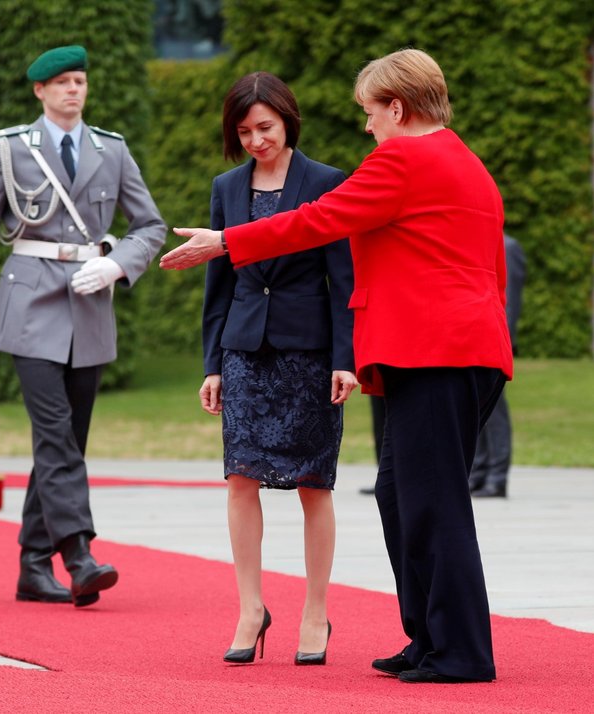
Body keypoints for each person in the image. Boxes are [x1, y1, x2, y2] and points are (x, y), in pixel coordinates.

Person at [160, 49, 513, 683]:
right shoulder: (462, 159)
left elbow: (323, 220)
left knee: (433, 502)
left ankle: (460, 651)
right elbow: (490, 265)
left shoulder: (404, 158)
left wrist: (228, 241)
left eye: (371, 113)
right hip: (454, 349)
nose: (367, 127)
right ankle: (429, 638)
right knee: (402, 493)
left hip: (438, 352)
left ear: (397, 108)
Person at [0, 45, 166, 607]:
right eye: (61, 82)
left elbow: (150, 224)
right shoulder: (12, 148)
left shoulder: (110, 150)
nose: (73, 90)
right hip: (30, 305)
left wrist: (117, 262)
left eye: (80, 80)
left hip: (88, 307)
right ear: (39, 90)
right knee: (57, 433)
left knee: (66, 441)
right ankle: (79, 554)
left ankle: (33, 565)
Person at [198, 72, 357, 666]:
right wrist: (213, 363)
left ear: (288, 119)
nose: (256, 139)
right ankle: (250, 609)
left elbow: (344, 279)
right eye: (244, 131)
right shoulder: (226, 186)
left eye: (265, 127)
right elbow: (218, 284)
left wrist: (346, 359)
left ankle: (316, 612)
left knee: (314, 485)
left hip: (308, 355)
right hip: (243, 354)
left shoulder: (326, 182)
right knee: (241, 479)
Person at [470, 234, 526, 498]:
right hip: (474, 340)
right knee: (474, 408)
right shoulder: (472, 242)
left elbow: (510, 302)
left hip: (493, 341)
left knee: (495, 412)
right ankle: (478, 472)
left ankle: (497, 476)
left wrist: (503, 339)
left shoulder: (507, 246)